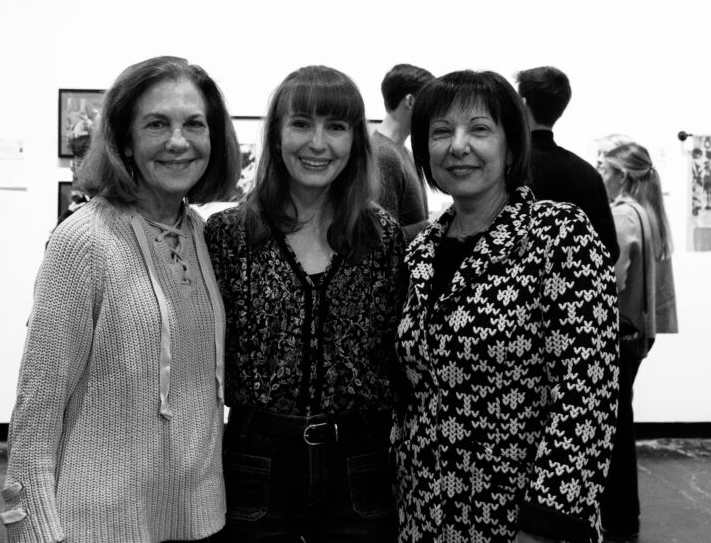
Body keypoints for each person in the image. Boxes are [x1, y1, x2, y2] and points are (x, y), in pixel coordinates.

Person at [0, 56, 240, 542]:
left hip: (197, 519)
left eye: (194, 124)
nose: (178, 141)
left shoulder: (202, 235)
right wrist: (31, 527)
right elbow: (38, 406)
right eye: (156, 124)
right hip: (98, 525)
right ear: (125, 140)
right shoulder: (83, 241)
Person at [393, 70, 619, 543]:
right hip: (425, 518)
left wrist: (546, 525)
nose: (458, 145)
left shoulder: (557, 235)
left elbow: (586, 393)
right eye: (441, 131)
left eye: (479, 129)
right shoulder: (419, 252)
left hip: (520, 521)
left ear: (511, 147)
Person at [205, 65, 406, 542]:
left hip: (360, 461)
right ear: (276, 135)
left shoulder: (381, 237)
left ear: (356, 140)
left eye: (336, 127)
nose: (318, 144)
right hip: (256, 460)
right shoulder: (229, 236)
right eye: (301, 124)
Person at [596, 141, 679, 542]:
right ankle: (623, 514)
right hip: (639, 334)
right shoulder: (648, 213)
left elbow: (612, 278)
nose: (600, 175)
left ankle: (618, 515)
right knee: (620, 420)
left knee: (612, 425)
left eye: (604, 168)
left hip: (619, 334)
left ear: (623, 175)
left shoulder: (624, 216)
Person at [516, 66, 619, 263]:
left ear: (522, 103)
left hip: (513, 290)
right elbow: (609, 250)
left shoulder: (508, 167)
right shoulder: (588, 174)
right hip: (573, 290)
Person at [372, 63, 432, 241]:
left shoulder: (401, 151)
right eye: (430, 102)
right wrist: (434, 224)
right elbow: (382, 240)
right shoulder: (382, 155)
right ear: (410, 101)